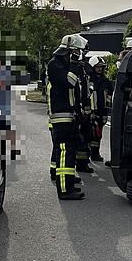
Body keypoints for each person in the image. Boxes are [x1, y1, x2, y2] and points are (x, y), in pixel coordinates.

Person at [46, 34, 88, 200]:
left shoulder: (63, 65)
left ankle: (68, 183)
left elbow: (75, 93)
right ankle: (64, 190)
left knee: (68, 153)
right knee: (64, 153)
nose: (77, 55)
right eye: (76, 52)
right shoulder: (55, 65)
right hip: (61, 118)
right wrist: (75, 64)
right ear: (69, 51)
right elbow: (69, 82)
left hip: (69, 116)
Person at [86, 56, 114, 162]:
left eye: (101, 67)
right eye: (97, 67)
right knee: (88, 134)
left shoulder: (105, 81)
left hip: (101, 111)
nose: (100, 69)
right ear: (92, 67)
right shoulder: (88, 80)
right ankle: (86, 154)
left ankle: (95, 153)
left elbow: (109, 96)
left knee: (98, 135)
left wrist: (106, 111)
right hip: (90, 111)